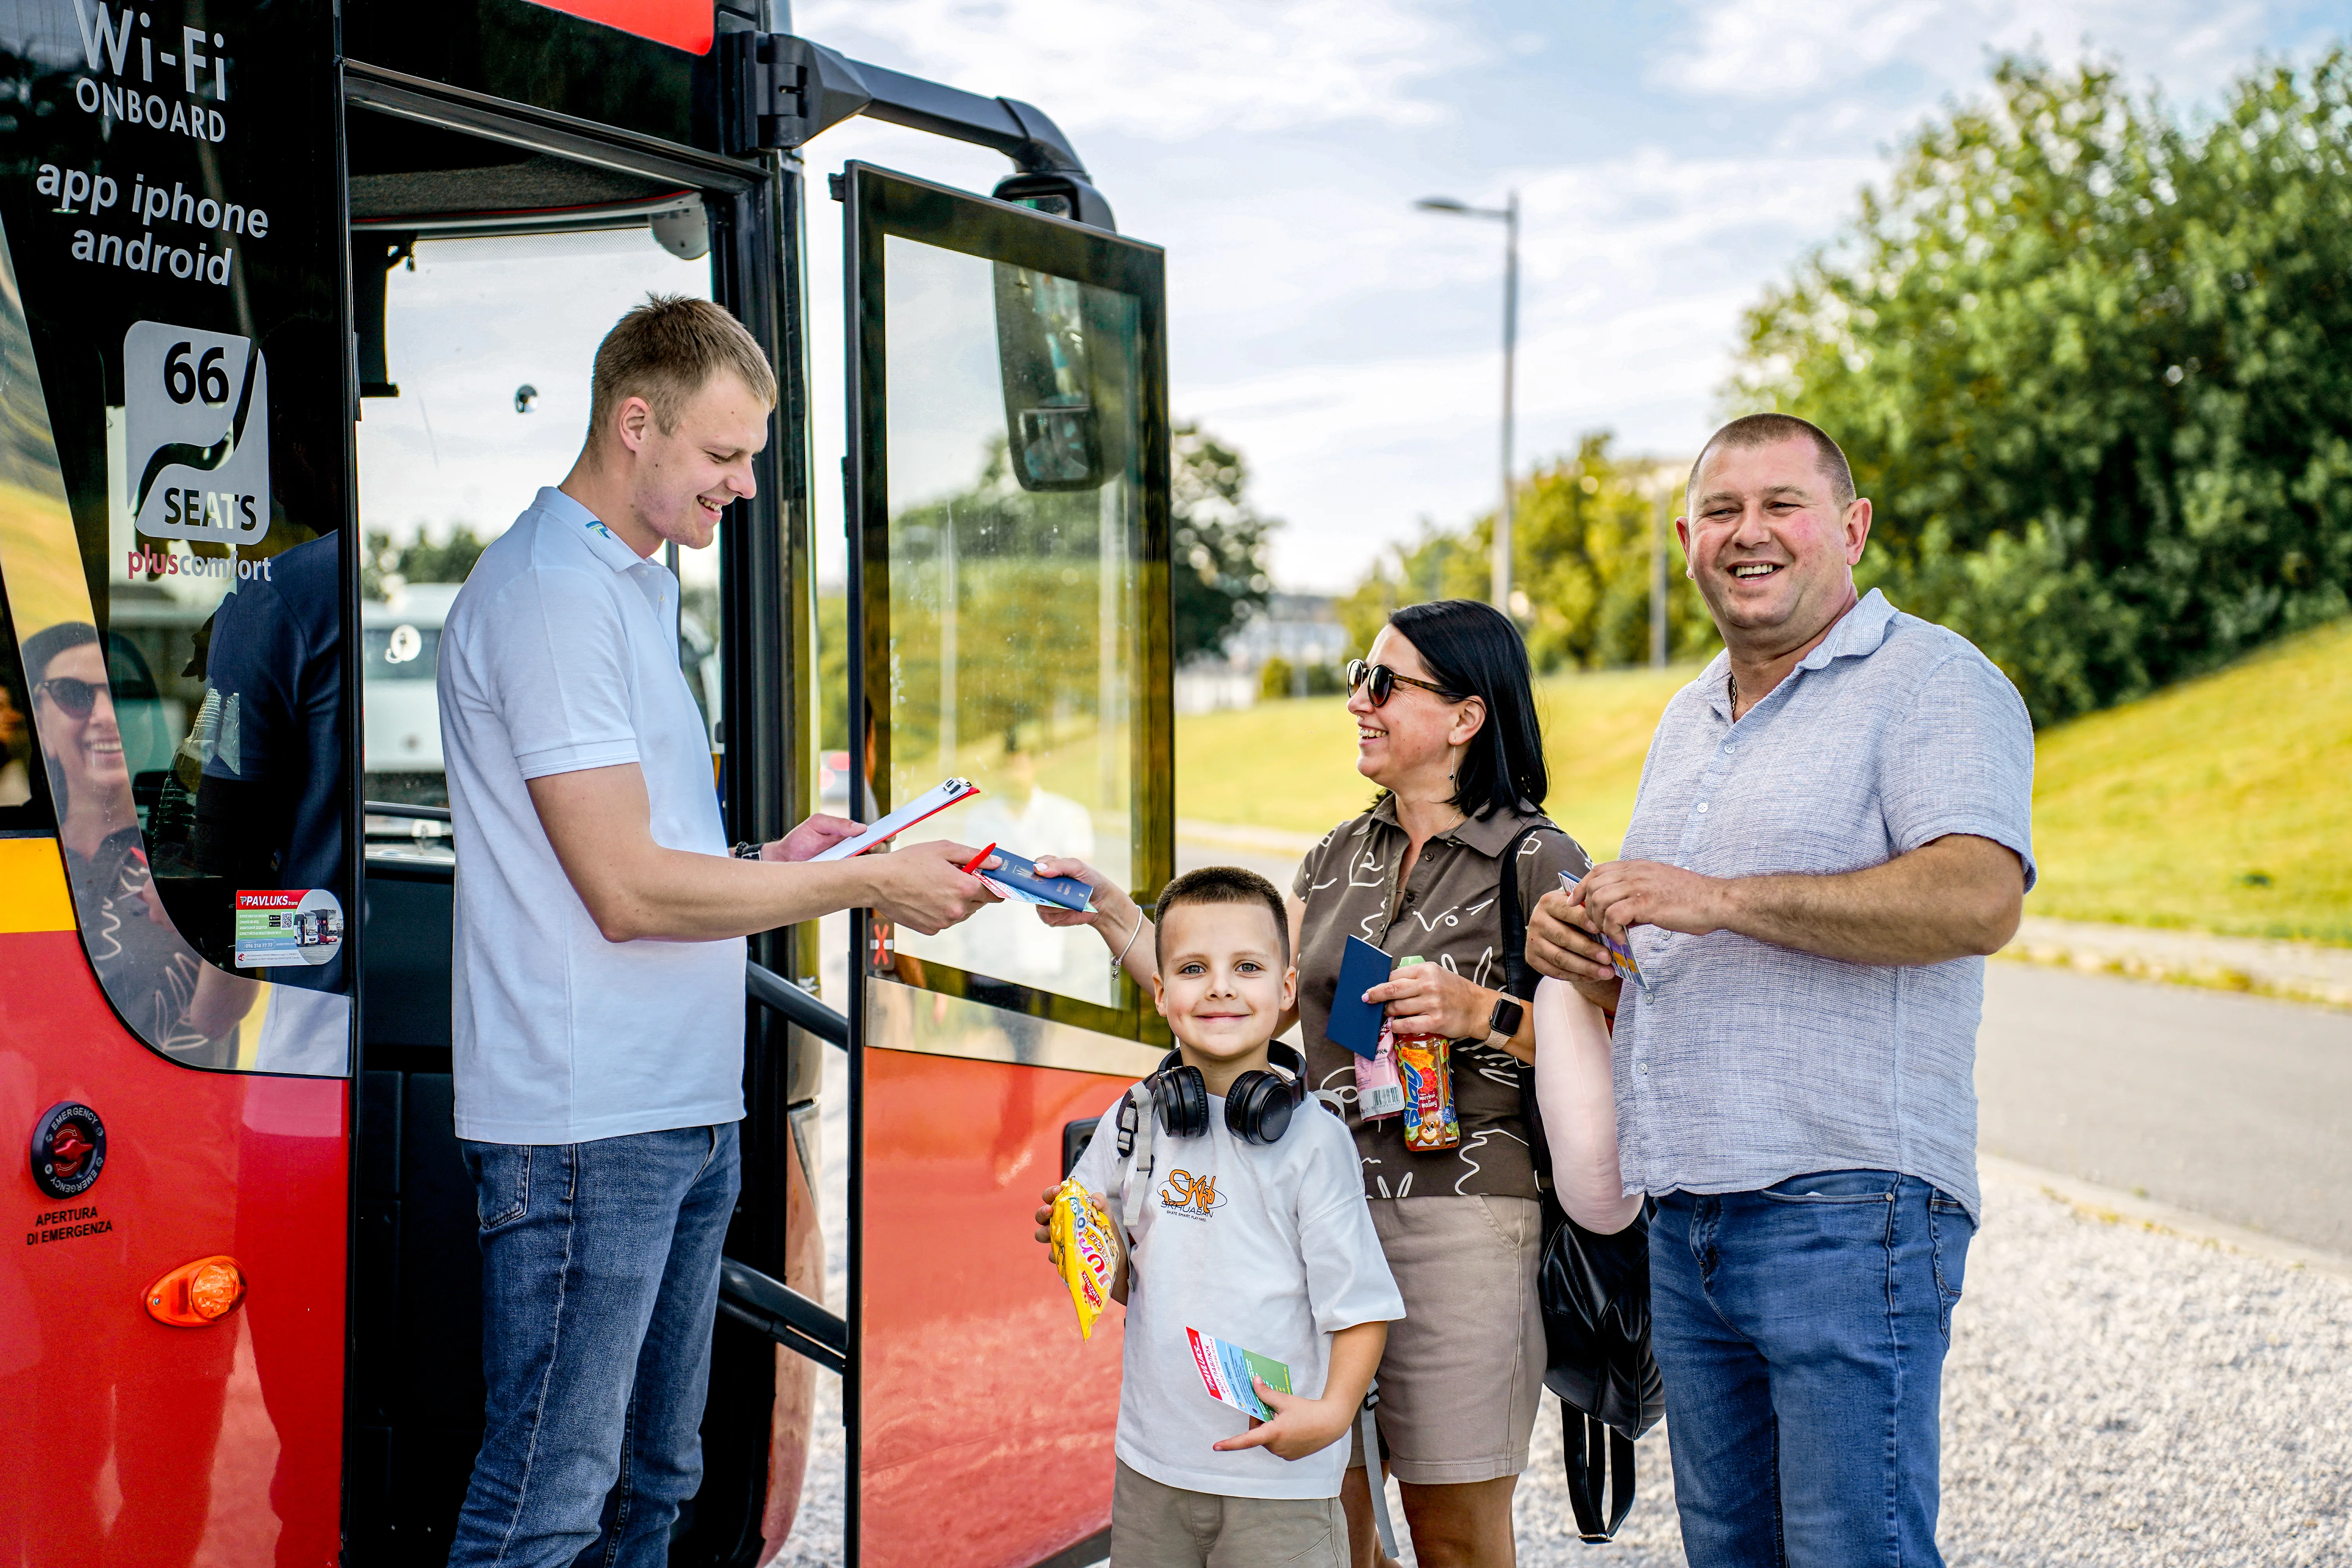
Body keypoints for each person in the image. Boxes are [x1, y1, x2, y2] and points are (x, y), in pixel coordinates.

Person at [437, 294, 1000, 1568]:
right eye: (723, 456)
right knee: (546, 1506)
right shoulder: (552, 595)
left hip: (673, 1110)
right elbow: (626, 891)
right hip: (590, 1124)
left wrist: (776, 864)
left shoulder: (627, 588)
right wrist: (869, 886)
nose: (743, 485)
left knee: (656, 1487)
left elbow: (645, 859)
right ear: (636, 425)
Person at [1526, 412, 2034, 1567]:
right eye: (1720, 512)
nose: (1748, 533)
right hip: (1690, 1214)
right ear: (1686, 539)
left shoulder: (1934, 682)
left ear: (1851, 528)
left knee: (1858, 1552)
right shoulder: (1693, 710)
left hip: (1848, 1209)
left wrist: (1715, 897)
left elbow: (1977, 898)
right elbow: (1682, 945)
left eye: (1781, 505)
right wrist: (1591, 951)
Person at [1038, 598, 1589, 1568]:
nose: (1359, 704)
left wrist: (1480, 1014)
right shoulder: (1341, 853)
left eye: (1383, 684)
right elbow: (1235, 993)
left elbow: (1626, 1044)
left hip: (1461, 1224)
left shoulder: (1538, 857)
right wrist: (1108, 910)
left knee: (1454, 1529)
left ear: (1466, 717)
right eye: (1357, 680)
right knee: (1329, 1514)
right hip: (1307, 1213)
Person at [1033, 866, 1403, 1568]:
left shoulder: (1314, 1141)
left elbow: (1361, 1305)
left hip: (1281, 1483)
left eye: (1249, 967)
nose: (1222, 987)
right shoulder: (1135, 1119)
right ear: (1161, 991)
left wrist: (1329, 1418)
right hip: (1153, 1468)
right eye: (1194, 968)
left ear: (1286, 989)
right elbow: (1123, 1277)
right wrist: (1083, 1248)